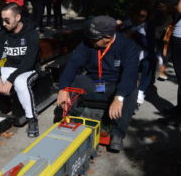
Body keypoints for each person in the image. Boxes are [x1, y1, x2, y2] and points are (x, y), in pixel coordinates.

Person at [56, 16, 139, 151]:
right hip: (94, 83)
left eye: (94, 38)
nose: (90, 41)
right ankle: (69, 120)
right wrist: (63, 88)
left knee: (131, 91)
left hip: (114, 86)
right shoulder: (87, 44)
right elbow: (73, 65)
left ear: (107, 37)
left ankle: (117, 134)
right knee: (75, 82)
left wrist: (119, 97)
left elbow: (129, 75)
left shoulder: (128, 46)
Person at [0, 2, 40, 137]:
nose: (3, 24)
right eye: (2, 20)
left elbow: (29, 62)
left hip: (28, 70)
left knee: (20, 82)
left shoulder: (32, 34)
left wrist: (10, 81)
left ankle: (32, 119)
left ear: (17, 17)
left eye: (7, 20)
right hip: (9, 69)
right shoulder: (2, 34)